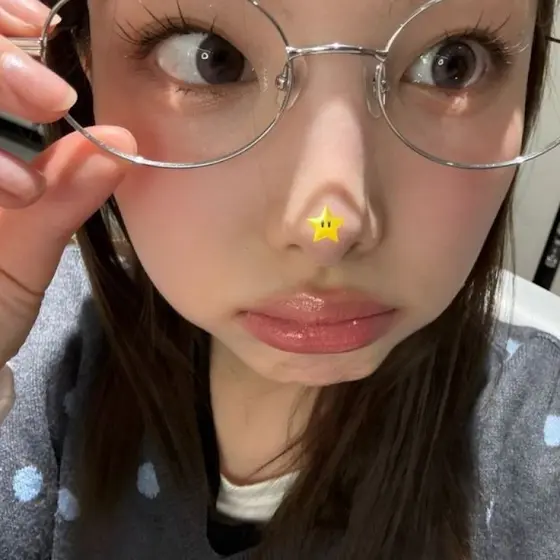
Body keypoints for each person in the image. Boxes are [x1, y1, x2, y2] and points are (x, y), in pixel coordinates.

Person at [0, 0, 559, 557]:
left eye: (450, 64)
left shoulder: (536, 438)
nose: (328, 230)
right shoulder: (31, 358)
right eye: (212, 59)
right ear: (85, 66)